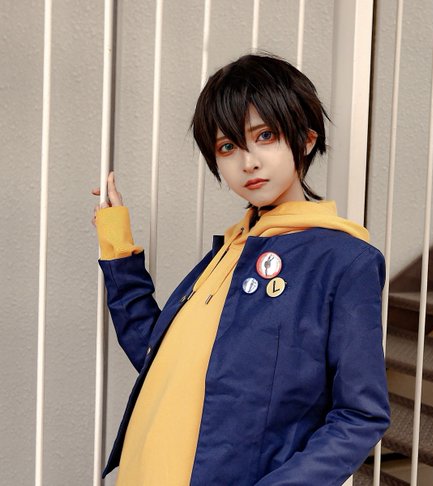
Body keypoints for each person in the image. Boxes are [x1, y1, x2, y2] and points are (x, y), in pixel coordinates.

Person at [90, 54, 390, 486]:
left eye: (265, 136)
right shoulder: (230, 250)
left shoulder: (343, 260)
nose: (247, 162)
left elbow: (360, 415)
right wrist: (117, 245)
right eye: (227, 147)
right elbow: (154, 357)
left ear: (306, 140)